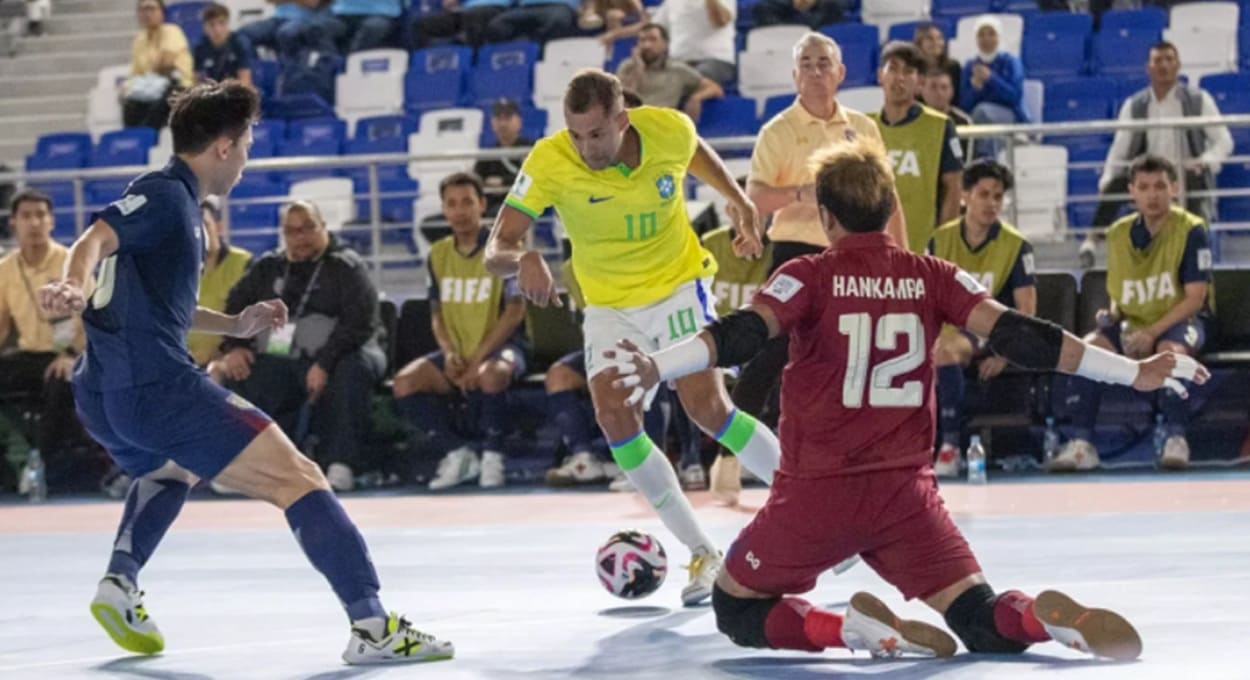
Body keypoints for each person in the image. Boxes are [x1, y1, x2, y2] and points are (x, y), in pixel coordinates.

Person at [604, 135, 1207, 662]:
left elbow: (739, 335)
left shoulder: (808, 276)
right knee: (978, 616)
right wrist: (1133, 372)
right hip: (906, 496)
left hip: (817, 493)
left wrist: (658, 363)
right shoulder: (932, 274)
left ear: (827, 219)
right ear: (892, 207)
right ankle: (1034, 618)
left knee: (734, 607)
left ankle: (846, 629)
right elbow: (1024, 338)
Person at [39, 81, 451, 664]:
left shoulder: (182, 207)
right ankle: (372, 626)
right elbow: (93, 238)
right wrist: (71, 286)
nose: (250, 154)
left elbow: (161, 306)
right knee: (300, 478)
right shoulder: (162, 196)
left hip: (103, 394)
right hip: (158, 390)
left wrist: (234, 322)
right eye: (249, 142)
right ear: (225, 147)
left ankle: (120, 581)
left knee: (168, 469)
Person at [484, 69, 778, 606]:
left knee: (706, 410)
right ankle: (703, 553)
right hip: (609, 305)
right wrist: (523, 257)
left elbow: (694, 152)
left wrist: (736, 200)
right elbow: (493, 248)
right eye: (576, 135)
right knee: (614, 414)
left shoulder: (667, 129)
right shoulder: (551, 161)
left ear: (622, 120)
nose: (586, 147)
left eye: (596, 134)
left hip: (675, 286)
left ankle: (807, 502)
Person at [728, 32, 906, 502]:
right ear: (794, 75)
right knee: (772, 350)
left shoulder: (863, 128)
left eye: (823, 62)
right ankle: (726, 454)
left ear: (841, 72)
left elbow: (889, 198)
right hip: (797, 251)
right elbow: (757, 197)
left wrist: (901, 259)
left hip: (855, 253)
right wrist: (805, 194)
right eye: (805, 63)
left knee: (856, 353)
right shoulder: (779, 130)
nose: (814, 70)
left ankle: (855, 456)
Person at [1056, 155, 1212, 472]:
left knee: (1170, 352)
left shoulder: (1192, 230)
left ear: (1175, 189)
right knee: (1088, 350)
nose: (1152, 195)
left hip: (1183, 321)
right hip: (1135, 323)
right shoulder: (1117, 233)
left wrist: (1152, 334)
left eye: (1160, 186)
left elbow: (1196, 298)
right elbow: (1121, 294)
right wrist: (1112, 317)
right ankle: (1082, 444)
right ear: (1132, 192)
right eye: (1144, 187)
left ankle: (1175, 438)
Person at [218, 200, 387, 492]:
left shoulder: (345, 265)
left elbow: (360, 324)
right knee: (252, 372)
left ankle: (341, 463)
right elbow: (235, 307)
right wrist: (235, 346)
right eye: (292, 231)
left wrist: (324, 363)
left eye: (308, 228)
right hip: (289, 354)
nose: (301, 238)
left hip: (349, 351)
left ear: (323, 228)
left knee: (349, 371)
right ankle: (255, 465)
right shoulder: (269, 266)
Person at [393, 172, 528, 490]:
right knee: (404, 383)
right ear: (444, 209)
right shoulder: (437, 254)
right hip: (457, 352)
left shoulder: (506, 248)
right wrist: (451, 353)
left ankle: (494, 456)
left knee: (491, 374)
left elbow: (515, 311)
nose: (460, 211)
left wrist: (478, 358)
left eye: (467, 202)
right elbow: (436, 314)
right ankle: (458, 452)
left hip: (502, 348)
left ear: (482, 205)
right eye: (451, 204)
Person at [927, 160, 1036, 477]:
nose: (992, 203)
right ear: (964, 196)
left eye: (998, 197)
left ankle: (949, 447)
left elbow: (1026, 308)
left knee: (945, 353)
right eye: (984, 194)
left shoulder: (1016, 245)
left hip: (985, 330)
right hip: (943, 331)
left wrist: (1004, 353)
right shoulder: (939, 240)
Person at [1083, 41, 1233, 268]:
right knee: (1115, 183)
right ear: (1148, 67)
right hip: (1149, 175)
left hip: (1185, 175)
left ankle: (1195, 252)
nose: (1163, 65)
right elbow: (1119, 149)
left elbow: (1224, 141)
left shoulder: (1199, 99)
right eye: (1158, 60)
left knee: (1196, 189)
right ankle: (1091, 241)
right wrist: (1107, 178)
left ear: (1178, 65)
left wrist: (1204, 161)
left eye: (1169, 60)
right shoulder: (1134, 105)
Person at [0, 189, 96, 493]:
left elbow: (93, 320)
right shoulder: (5, 270)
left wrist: (70, 353)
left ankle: (38, 463)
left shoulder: (71, 262)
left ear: (52, 221)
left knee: (60, 381)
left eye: (41, 215)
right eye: (26, 216)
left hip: (73, 354)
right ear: (13, 222)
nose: (34, 222)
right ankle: (15, 457)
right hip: (29, 354)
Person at [869, 40, 962, 254]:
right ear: (880, 75)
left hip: (922, 248)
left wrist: (943, 243)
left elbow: (953, 188)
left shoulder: (940, 126)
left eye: (908, 71)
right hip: (874, 246)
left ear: (919, 83)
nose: (899, 77)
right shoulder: (865, 126)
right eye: (892, 69)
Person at [600, 0, 736, 86]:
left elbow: (721, 21)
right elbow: (650, 26)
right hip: (678, 61)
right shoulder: (672, 2)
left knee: (686, 81)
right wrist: (615, 34)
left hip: (716, 61)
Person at [616, 22, 723, 123]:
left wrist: (697, 97)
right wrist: (638, 69)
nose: (647, 45)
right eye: (642, 40)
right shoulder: (627, 67)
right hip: (632, 125)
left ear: (665, 44)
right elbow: (622, 101)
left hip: (663, 126)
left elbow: (715, 88)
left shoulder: (678, 70)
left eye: (653, 40)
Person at [190, 197, 251, 370]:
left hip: (225, 358)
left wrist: (226, 350)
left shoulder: (243, 263)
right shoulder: (178, 268)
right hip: (183, 361)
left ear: (219, 227)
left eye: (206, 227)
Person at [959, 15, 1028, 159]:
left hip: (1010, 114)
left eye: (991, 34)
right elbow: (964, 106)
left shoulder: (1010, 61)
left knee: (982, 112)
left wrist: (991, 79)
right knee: (981, 117)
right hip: (978, 120)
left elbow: (1014, 96)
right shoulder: (970, 66)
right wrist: (974, 89)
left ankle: (985, 157)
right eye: (981, 35)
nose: (986, 39)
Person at [124, 0, 194, 130]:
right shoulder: (138, 40)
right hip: (149, 87)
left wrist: (153, 72)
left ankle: (150, 139)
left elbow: (167, 63)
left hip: (176, 86)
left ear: (162, 12)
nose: (147, 14)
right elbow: (135, 73)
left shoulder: (173, 31)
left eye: (151, 9)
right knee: (129, 104)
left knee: (160, 101)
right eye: (143, 10)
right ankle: (135, 141)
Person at [473, 99, 534, 216]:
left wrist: (503, 182)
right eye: (499, 119)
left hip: (523, 206)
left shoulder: (532, 149)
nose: (503, 124)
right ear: (492, 123)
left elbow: (535, 179)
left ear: (519, 121)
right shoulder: (487, 155)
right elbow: (477, 181)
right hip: (491, 207)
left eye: (507, 118)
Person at [238, 0, 326, 61]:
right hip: (278, 20)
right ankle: (252, 77)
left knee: (286, 33)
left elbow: (313, 3)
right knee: (241, 36)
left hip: (305, 21)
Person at [193, 3, 254, 87]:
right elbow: (197, 82)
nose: (217, 30)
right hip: (211, 94)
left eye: (222, 23)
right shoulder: (199, 47)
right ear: (205, 28)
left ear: (228, 24)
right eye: (211, 25)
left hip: (236, 93)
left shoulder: (239, 43)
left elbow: (245, 81)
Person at [411, 0, 514, 49]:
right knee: (421, 24)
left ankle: (475, 65)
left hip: (496, 8)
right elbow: (448, 3)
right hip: (463, 11)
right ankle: (425, 67)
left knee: (473, 18)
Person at [482, 0, 577, 44]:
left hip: (559, 6)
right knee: (497, 25)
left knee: (558, 20)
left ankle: (532, 44)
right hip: (524, 8)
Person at [915, 22, 960, 108]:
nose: (936, 42)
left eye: (939, 38)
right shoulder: (913, 69)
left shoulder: (953, 67)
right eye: (930, 39)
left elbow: (956, 99)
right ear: (920, 43)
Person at [751, 0, 841, 29]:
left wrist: (816, 3)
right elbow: (762, 9)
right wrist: (790, 3)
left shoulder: (831, 7)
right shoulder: (766, 9)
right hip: (780, 50)